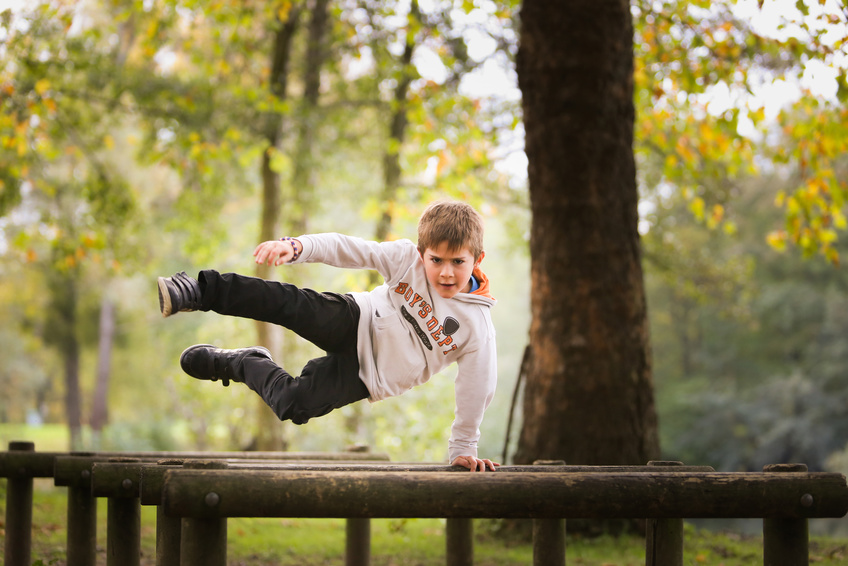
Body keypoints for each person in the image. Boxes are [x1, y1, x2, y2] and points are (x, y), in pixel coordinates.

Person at [158, 200, 499, 471]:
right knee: (289, 305)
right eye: (435, 260)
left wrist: (464, 448)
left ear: (477, 259)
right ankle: (199, 291)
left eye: (458, 262)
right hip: (358, 318)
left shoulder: (476, 327)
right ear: (422, 252)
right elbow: (350, 249)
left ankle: (242, 363)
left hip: (371, 376)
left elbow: (476, 387)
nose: (445, 272)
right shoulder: (405, 259)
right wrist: (297, 247)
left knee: (294, 404)